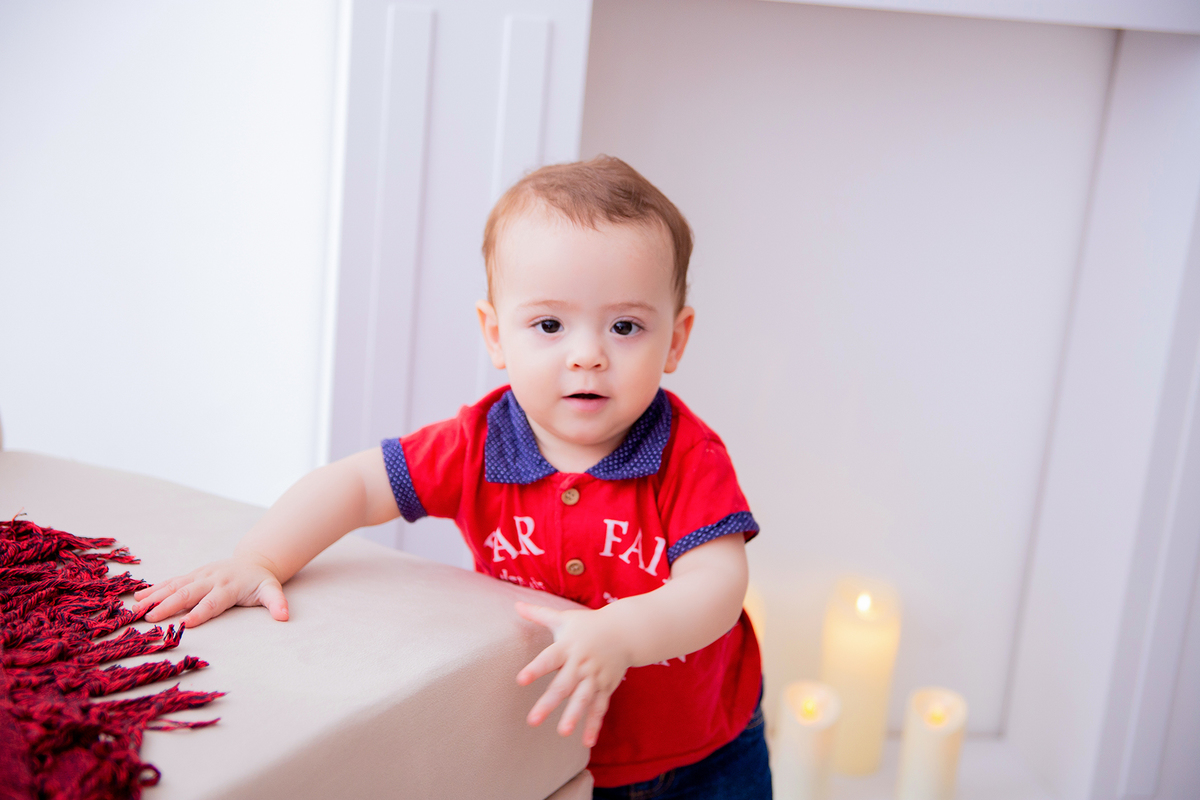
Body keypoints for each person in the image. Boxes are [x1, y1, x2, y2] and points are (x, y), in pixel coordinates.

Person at [133, 156, 770, 798]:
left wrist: (620, 634)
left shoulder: (685, 456)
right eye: (549, 324)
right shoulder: (478, 445)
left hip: (702, 752)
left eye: (625, 326)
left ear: (676, 341)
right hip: (552, 752)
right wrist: (261, 556)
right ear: (496, 334)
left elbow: (716, 585)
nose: (587, 354)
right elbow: (357, 485)